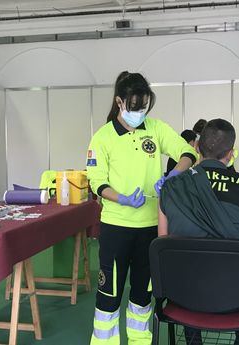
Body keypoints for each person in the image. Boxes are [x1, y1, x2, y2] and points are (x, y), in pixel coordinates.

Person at [87, 71, 197, 345]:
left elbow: (188, 152)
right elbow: (96, 181)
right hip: (116, 228)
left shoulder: (156, 128)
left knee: (142, 293)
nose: (140, 112)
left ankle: (140, 340)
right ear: (119, 102)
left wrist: (174, 175)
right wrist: (121, 198)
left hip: (150, 228)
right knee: (109, 294)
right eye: (135, 107)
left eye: (145, 106)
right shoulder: (102, 137)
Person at [158, 119, 239, 345]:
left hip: (183, 294)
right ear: (231, 153)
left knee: (183, 265)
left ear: (196, 148)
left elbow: (162, 245)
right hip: (237, 297)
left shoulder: (171, 187)